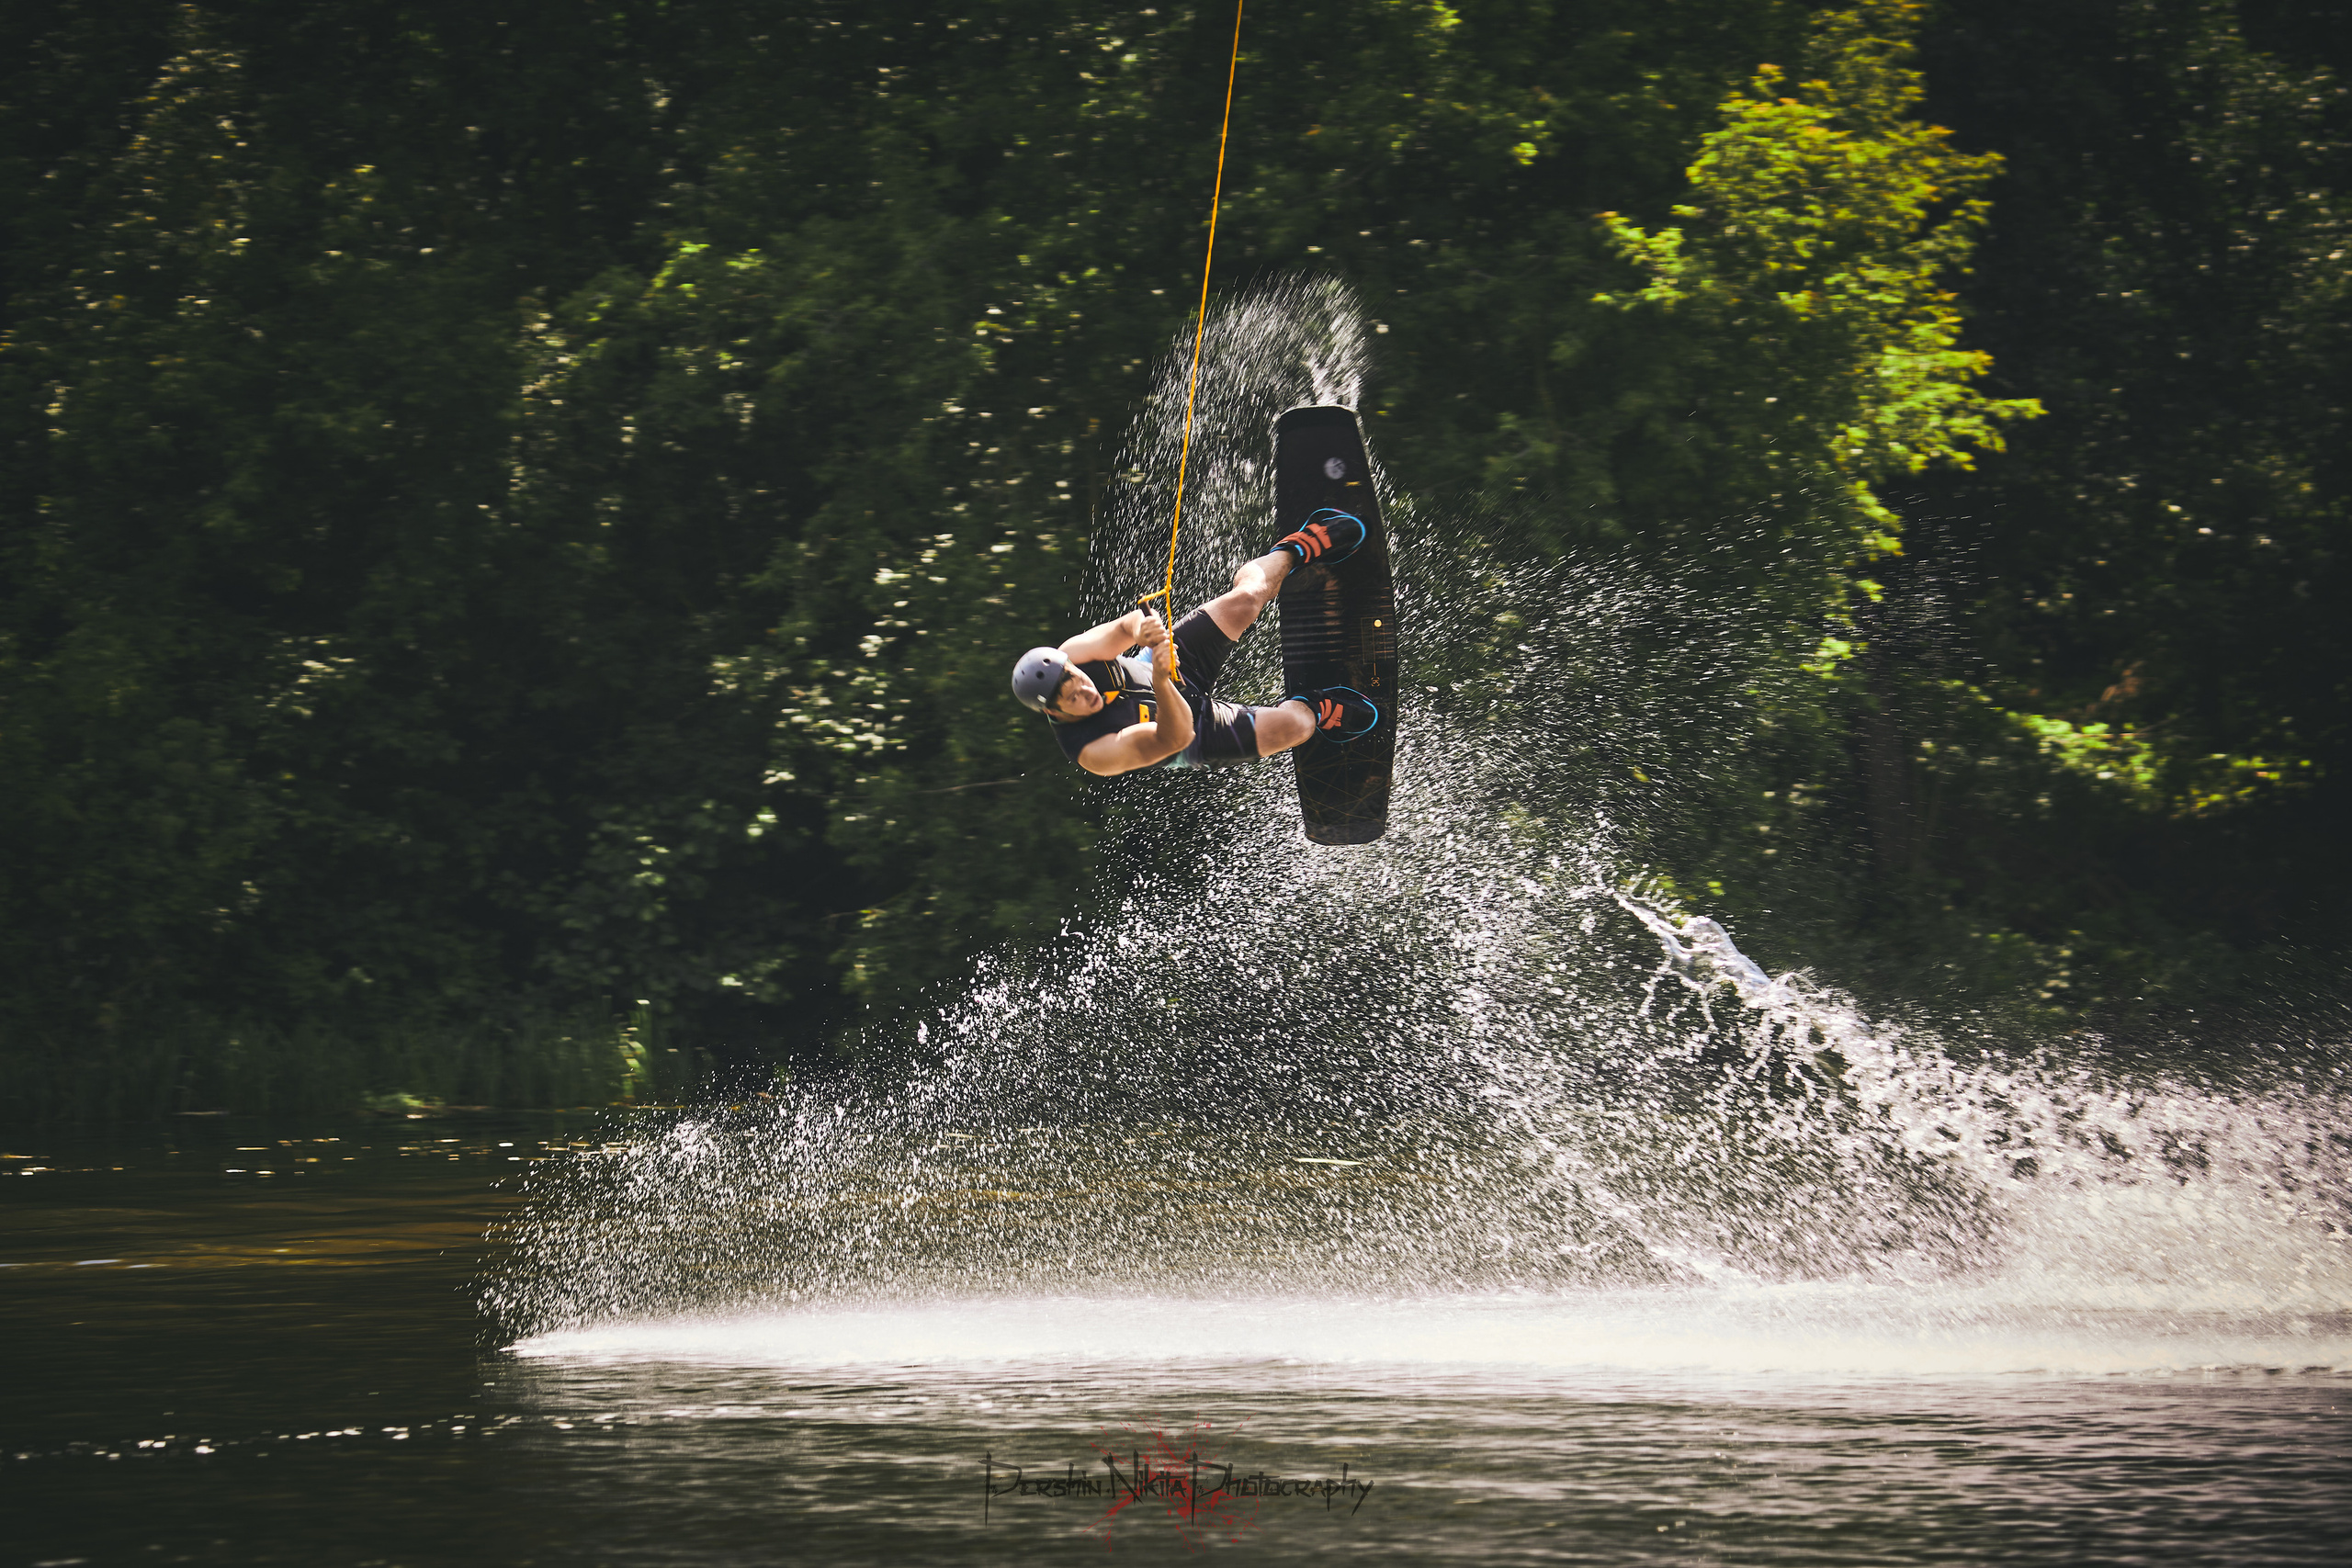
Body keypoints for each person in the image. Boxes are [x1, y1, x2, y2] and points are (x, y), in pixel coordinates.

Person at [1011, 510, 1383, 776]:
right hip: (1193, 733)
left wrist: (1145, 634)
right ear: (1053, 713)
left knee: (1245, 602)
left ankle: (1296, 548)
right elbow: (1177, 733)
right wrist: (1159, 680)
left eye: (1078, 679)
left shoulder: (1071, 654)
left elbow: (1124, 628)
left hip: (1167, 666)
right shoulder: (1092, 752)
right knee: (1295, 729)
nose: (1085, 691)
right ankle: (1316, 708)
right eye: (1072, 698)